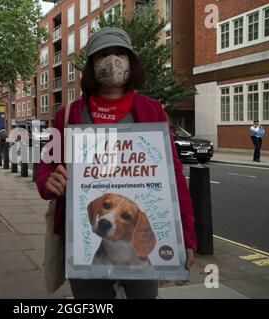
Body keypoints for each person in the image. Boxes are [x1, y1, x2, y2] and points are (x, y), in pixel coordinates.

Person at [35, 27, 196, 299]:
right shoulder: (68, 114)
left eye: (120, 53)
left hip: (138, 253)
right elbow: (45, 166)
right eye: (103, 55)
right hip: (85, 251)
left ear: (131, 61)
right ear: (91, 65)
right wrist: (48, 180)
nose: (113, 61)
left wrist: (187, 237)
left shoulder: (151, 110)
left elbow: (174, 176)